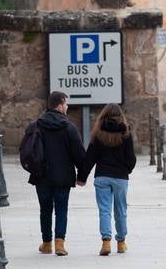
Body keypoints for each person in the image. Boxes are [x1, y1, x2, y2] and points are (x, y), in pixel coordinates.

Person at [24, 91, 85, 256]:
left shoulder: (36, 125)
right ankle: (60, 244)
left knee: (45, 209)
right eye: (66, 104)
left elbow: (26, 149)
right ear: (59, 105)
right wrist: (82, 176)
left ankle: (46, 243)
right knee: (61, 209)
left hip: (41, 175)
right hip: (63, 176)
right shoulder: (69, 127)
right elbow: (79, 154)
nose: (67, 107)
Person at [77, 103, 136, 255]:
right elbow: (131, 158)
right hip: (120, 178)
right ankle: (121, 242)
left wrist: (82, 177)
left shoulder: (98, 133)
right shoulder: (126, 133)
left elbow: (90, 157)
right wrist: (126, 170)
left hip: (102, 176)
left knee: (104, 210)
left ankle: (106, 242)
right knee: (121, 209)